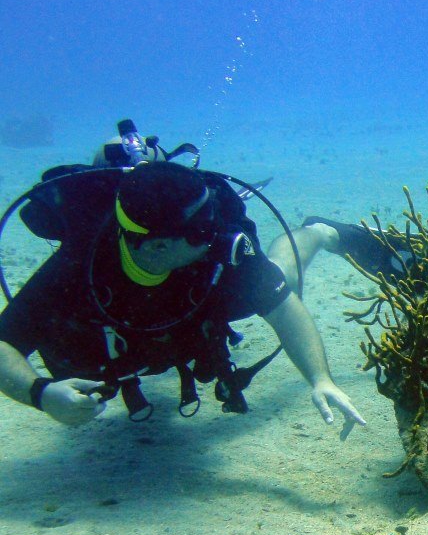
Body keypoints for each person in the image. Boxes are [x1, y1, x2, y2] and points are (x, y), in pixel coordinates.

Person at [0, 123, 366, 438]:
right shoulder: (80, 267)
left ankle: (317, 232)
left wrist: (321, 379)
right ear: (157, 245)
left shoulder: (216, 252)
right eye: (200, 231)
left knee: (280, 277)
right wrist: (41, 393)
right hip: (127, 339)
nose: (216, 236)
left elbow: (285, 309)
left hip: (199, 311)